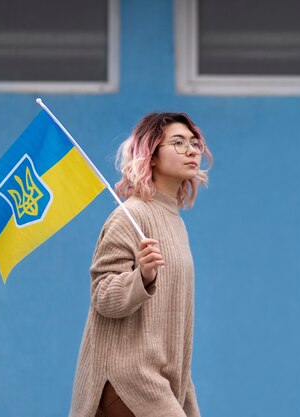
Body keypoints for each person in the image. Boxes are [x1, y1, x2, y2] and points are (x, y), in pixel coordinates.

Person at [69, 112, 213, 417]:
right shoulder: (129, 216)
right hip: (127, 380)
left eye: (194, 142)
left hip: (160, 382)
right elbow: (103, 296)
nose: (191, 150)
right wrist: (142, 278)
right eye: (177, 142)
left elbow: (173, 327)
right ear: (152, 155)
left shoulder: (174, 221)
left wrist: (187, 400)